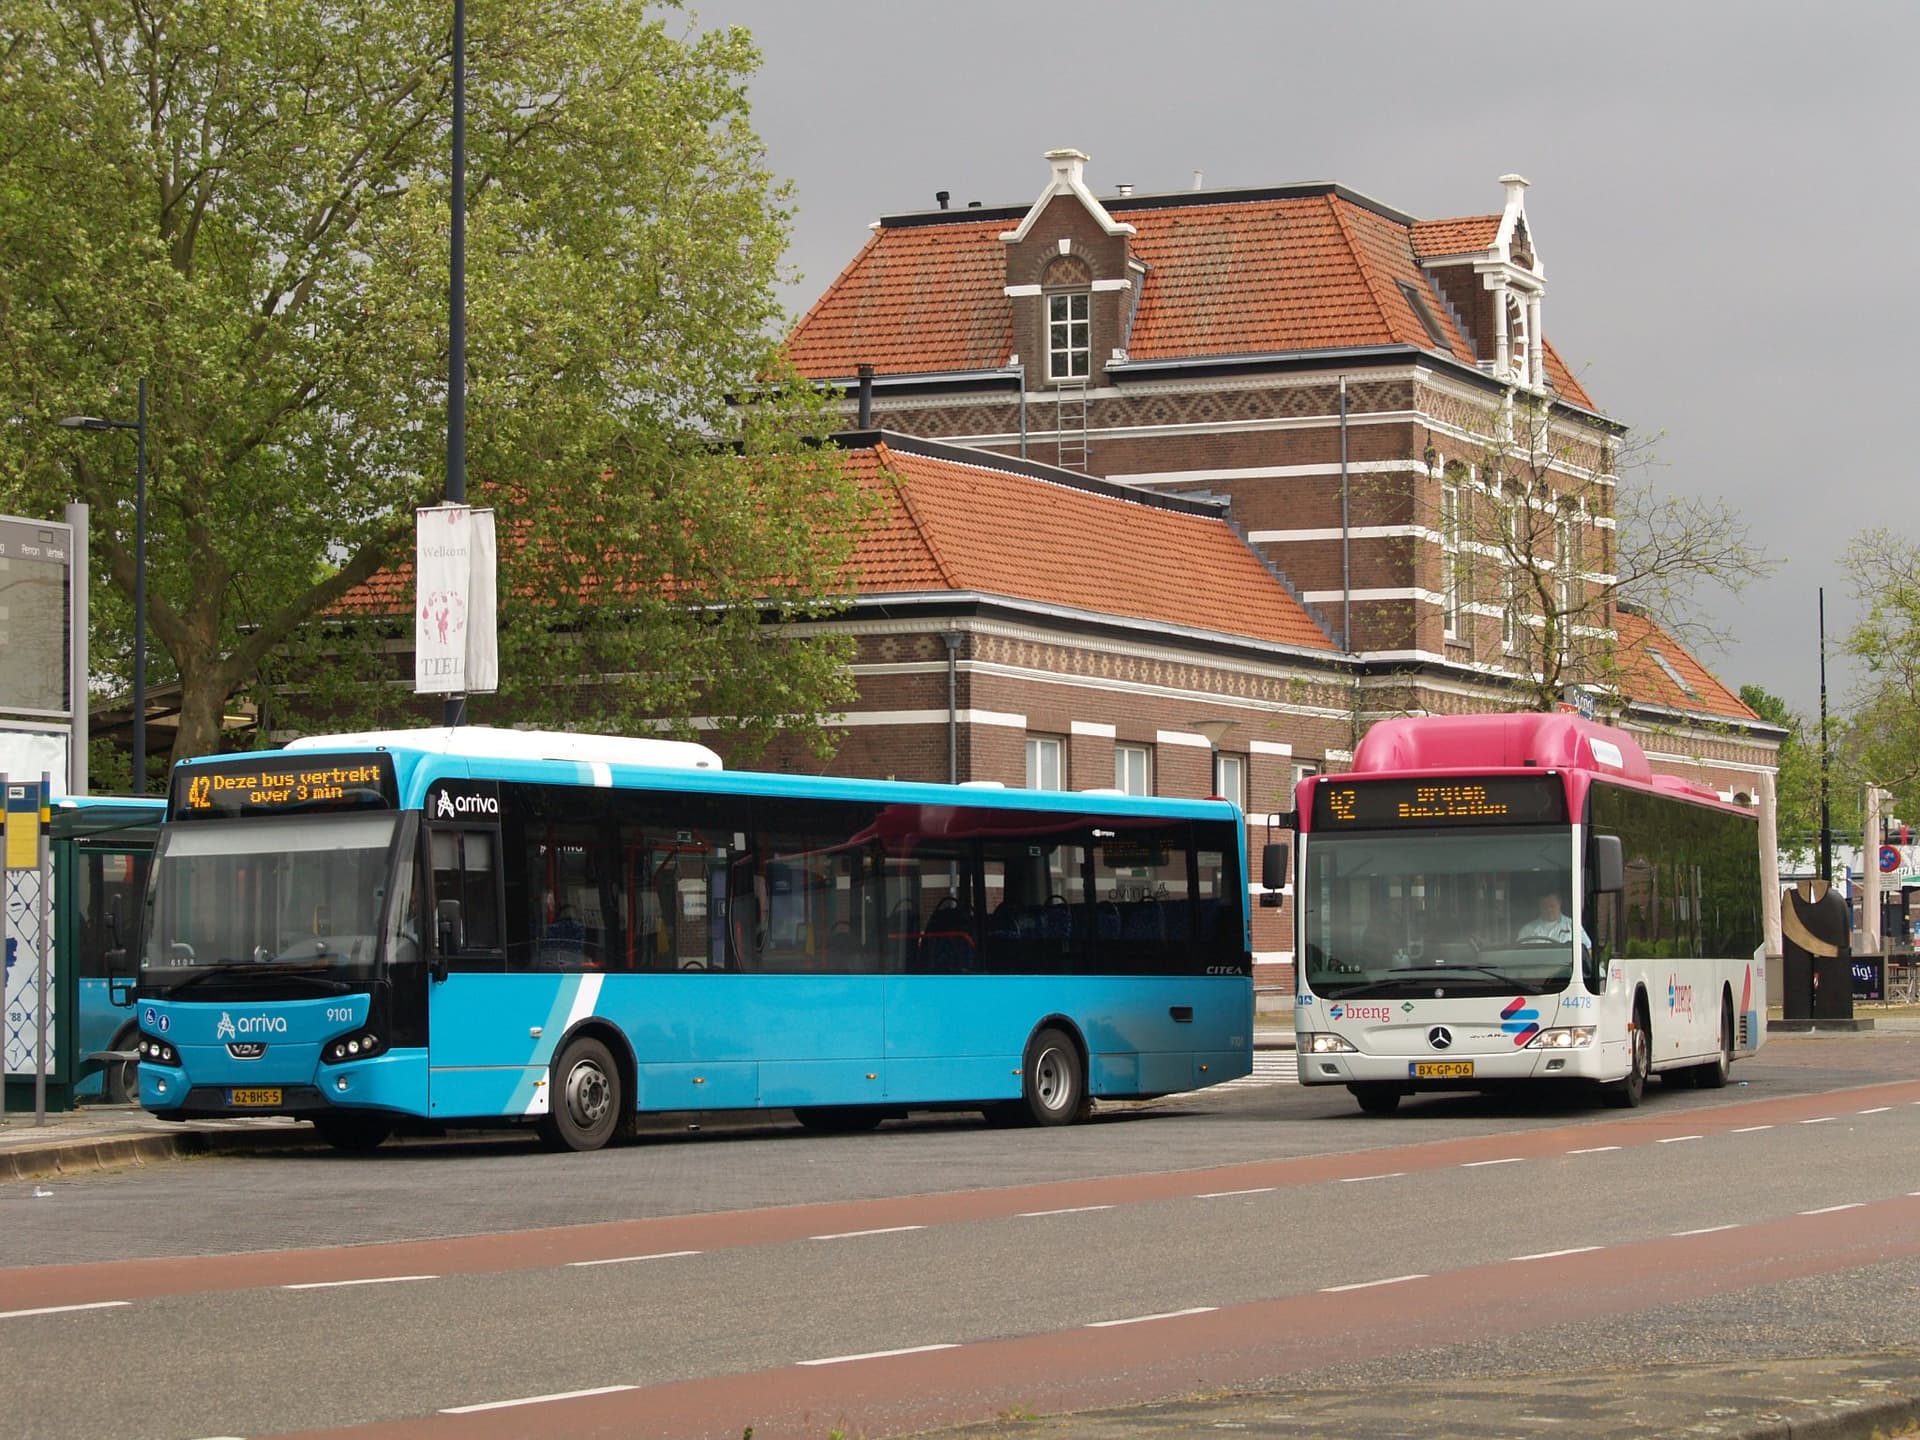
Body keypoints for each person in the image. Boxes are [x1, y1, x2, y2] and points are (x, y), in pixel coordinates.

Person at [1517, 891, 1587, 946]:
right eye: (1544, 906)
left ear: (1559, 903)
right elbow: (1517, 954)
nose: (1549, 910)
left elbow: (1588, 950)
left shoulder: (1573, 926)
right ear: (1539, 906)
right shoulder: (1527, 930)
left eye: (1552, 906)